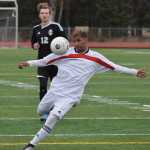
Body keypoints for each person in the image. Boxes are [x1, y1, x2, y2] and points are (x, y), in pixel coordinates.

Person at [18, 30, 146, 150]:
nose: (76, 43)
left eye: (79, 40)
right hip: (55, 91)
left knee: (53, 116)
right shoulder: (64, 52)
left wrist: (134, 72)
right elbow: (45, 61)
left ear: (86, 40)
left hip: (70, 97)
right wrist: (28, 63)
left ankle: (31, 145)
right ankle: (57, 108)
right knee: (41, 110)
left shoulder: (95, 58)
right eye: (74, 41)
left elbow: (114, 67)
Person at [31, 3, 67, 121]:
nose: (44, 15)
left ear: (50, 14)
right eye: (42, 13)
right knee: (42, 86)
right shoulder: (35, 29)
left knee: (56, 89)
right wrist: (35, 45)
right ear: (39, 15)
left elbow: (65, 42)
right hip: (42, 62)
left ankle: (56, 111)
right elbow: (33, 44)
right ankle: (44, 113)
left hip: (56, 63)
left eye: (46, 13)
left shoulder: (56, 27)